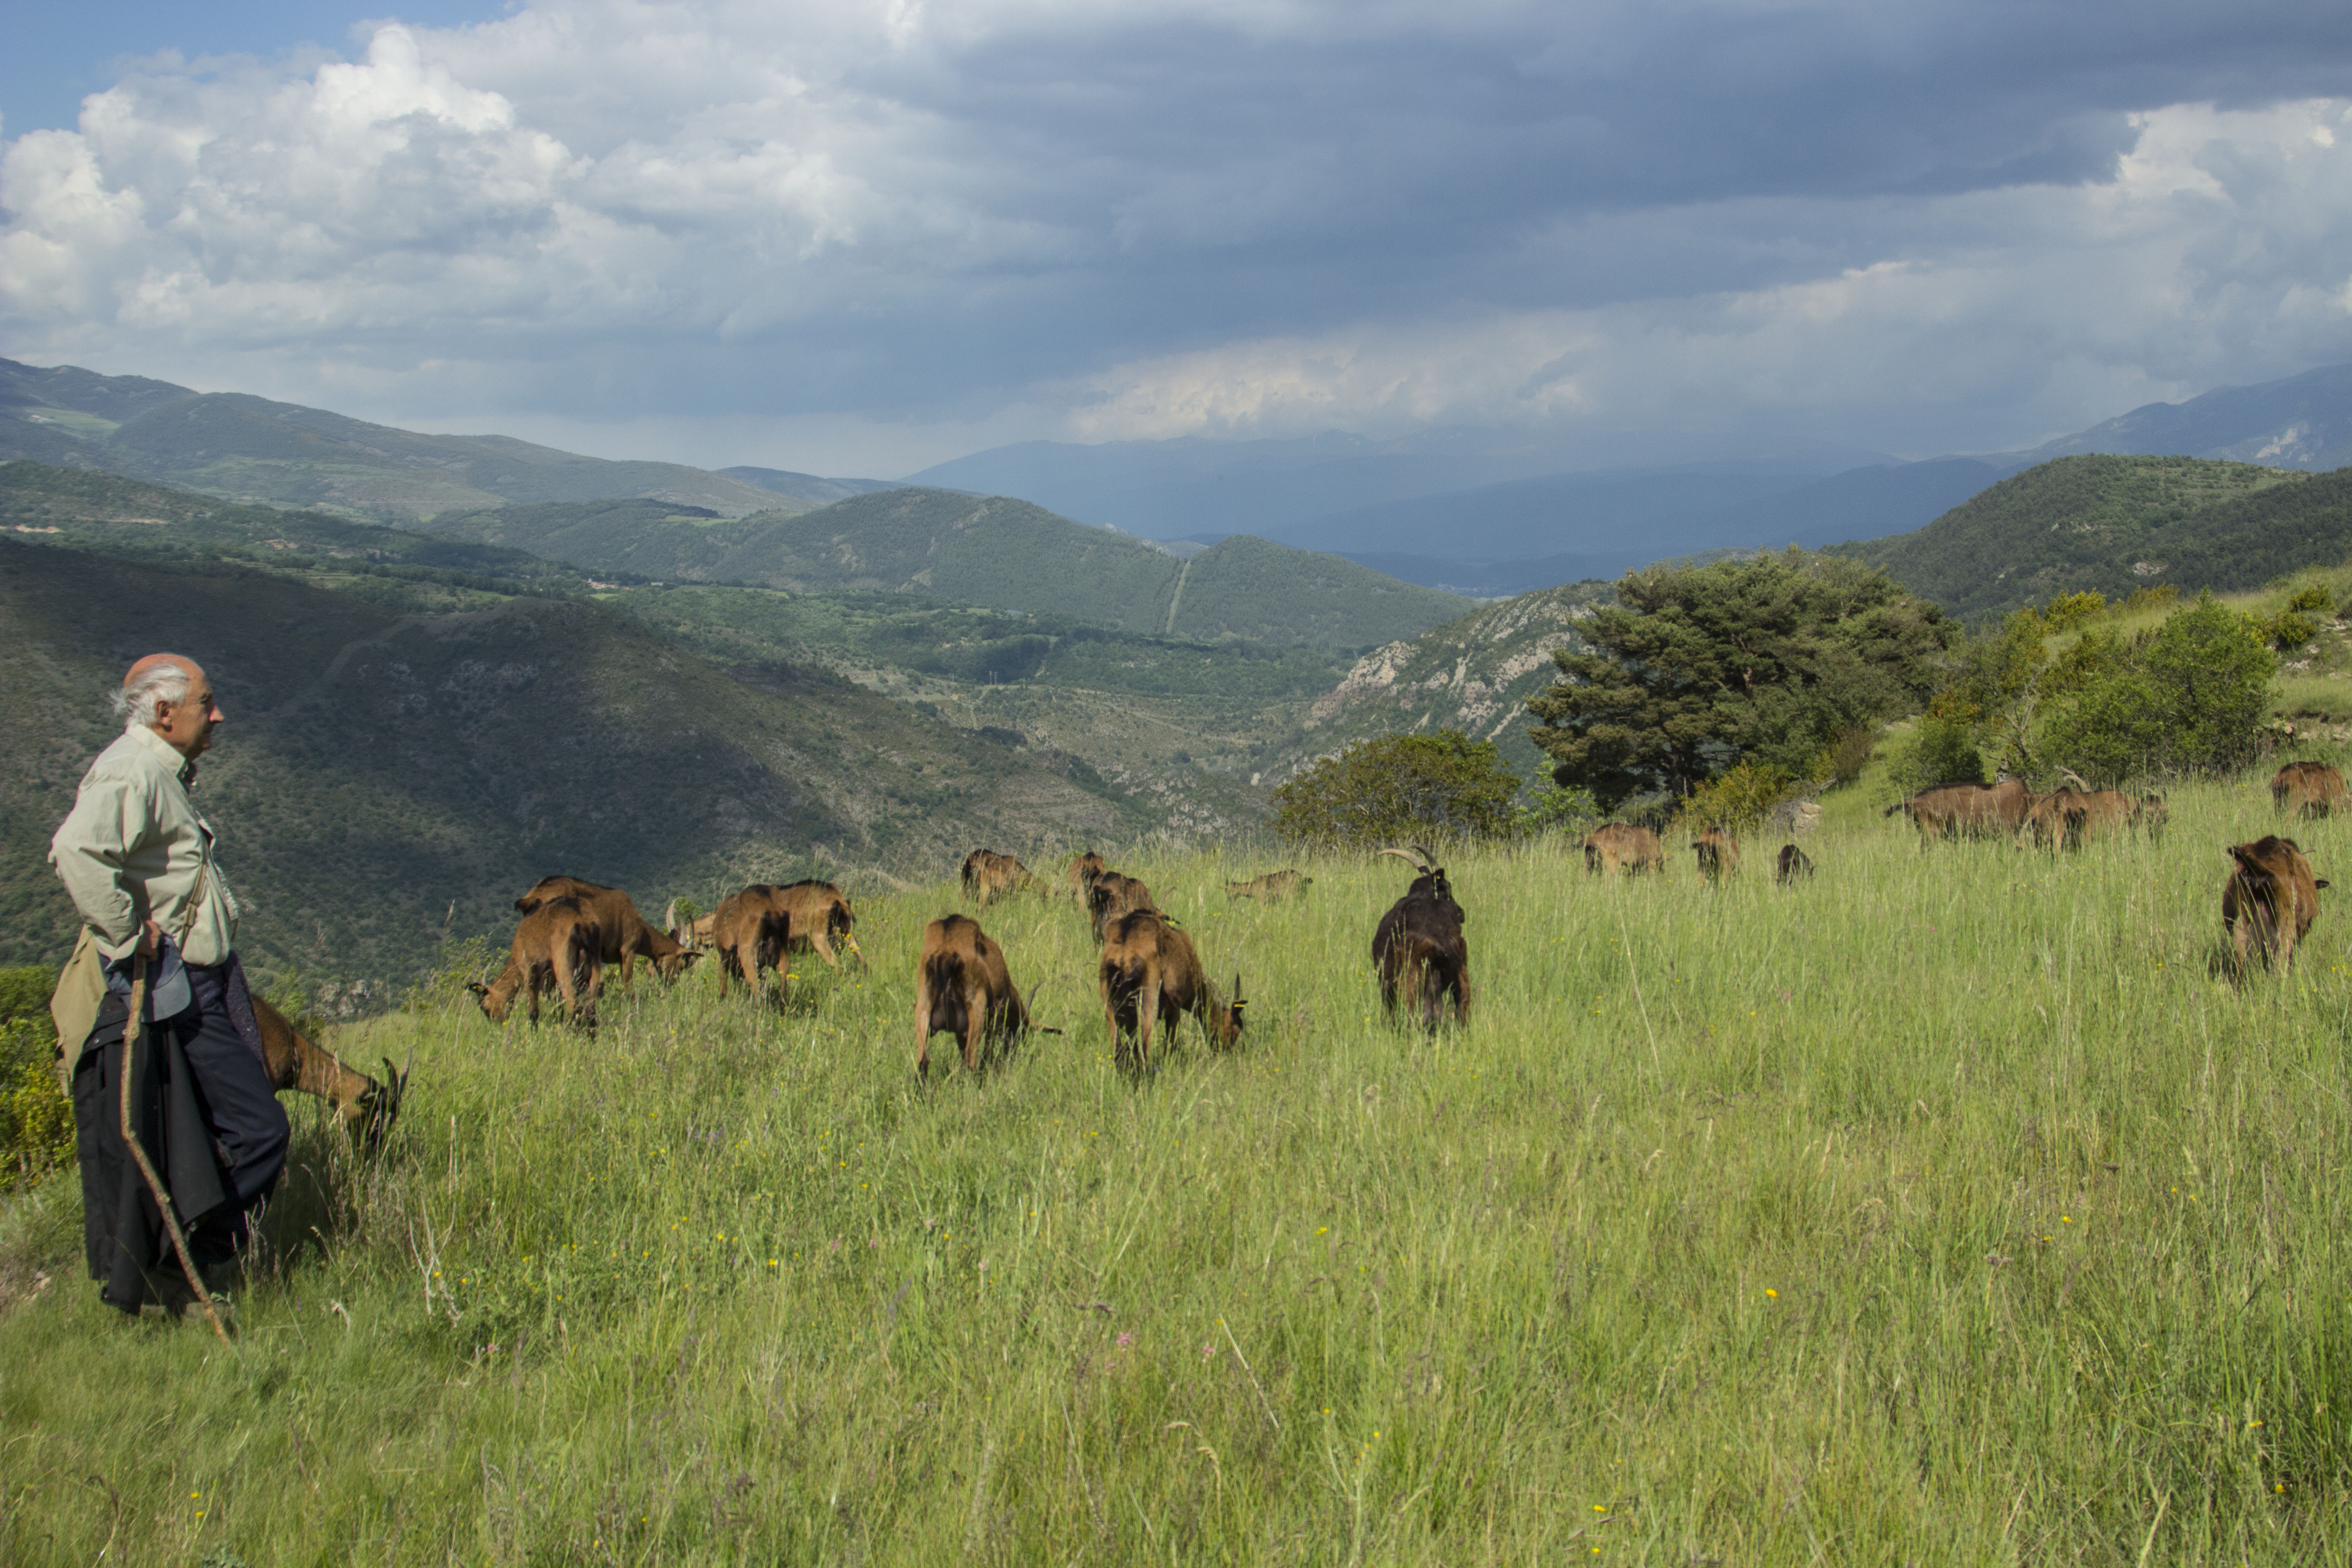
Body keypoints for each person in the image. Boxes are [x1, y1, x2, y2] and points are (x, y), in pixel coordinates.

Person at [49, 654, 288, 1322]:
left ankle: (172, 1261)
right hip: (178, 987)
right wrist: (129, 935)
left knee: (202, 1125)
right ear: (164, 713)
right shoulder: (133, 771)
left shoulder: (157, 771)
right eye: (205, 704)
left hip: (191, 981)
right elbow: (75, 850)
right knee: (260, 1128)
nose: (217, 715)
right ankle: (192, 1251)